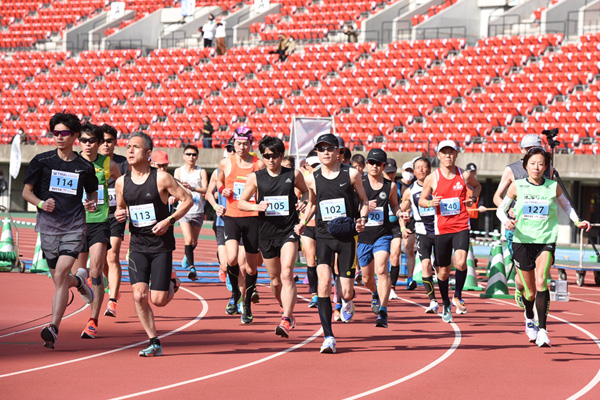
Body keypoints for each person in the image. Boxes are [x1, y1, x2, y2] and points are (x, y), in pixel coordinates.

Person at [496, 147, 590, 347]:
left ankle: (543, 330)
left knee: (541, 282)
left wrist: (577, 221)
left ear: (546, 166)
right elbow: (500, 210)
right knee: (529, 293)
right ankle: (529, 318)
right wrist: (506, 221)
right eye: (532, 163)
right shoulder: (516, 186)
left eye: (541, 164)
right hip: (522, 241)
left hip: (546, 239)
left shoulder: (552, 186)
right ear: (526, 165)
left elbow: (566, 206)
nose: (536, 167)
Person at [22, 112, 97, 349]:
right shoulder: (41, 161)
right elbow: (26, 192)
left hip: (74, 225)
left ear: (75, 136)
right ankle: (80, 281)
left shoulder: (84, 166)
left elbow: (93, 193)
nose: (59, 137)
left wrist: (92, 202)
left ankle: (53, 328)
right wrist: (41, 203)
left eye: (64, 133)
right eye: (55, 133)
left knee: (60, 274)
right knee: (59, 278)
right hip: (48, 227)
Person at [114, 132, 193, 356]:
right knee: (139, 295)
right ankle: (154, 341)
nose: (129, 151)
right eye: (128, 146)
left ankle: (171, 281)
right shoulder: (122, 182)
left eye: (135, 147)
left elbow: (187, 200)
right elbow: (121, 209)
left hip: (160, 246)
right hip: (137, 246)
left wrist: (169, 221)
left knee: (158, 301)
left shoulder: (161, 178)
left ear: (148, 153)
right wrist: (121, 215)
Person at [300, 133, 369, 354]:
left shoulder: (352, 174)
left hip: (347, 236)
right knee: (323, 283)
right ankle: (328, 336)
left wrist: (362, 219)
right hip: (323, 236)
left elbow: (364, 201)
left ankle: (348, 300)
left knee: (346, 291)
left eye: (330, 148)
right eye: (321, 149)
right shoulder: (312, 178)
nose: (326, 153)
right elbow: (311, 203)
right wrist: (302, 222)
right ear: (317, 153)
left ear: (338, 152)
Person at [238, 136, 309, 337]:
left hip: (288, 231)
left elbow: (306, 193)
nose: (271, 160)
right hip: (266, 233)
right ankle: (283, 306)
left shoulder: (293, 174)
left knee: (287, 273)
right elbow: (241, 202)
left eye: (275, 155)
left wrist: (303, 202)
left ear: (282, 155)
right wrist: (255, 206)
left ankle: (286, 318)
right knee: (275, 281)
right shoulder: (256, 177)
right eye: (267, 156)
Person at [419, 140, 481, 323]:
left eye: (451, 152)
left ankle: (458, 295)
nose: (448, 156)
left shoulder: (465, 175)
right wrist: (431, 203)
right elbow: (422, 200)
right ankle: (445, 302)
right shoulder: (432, 178)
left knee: (461, 262)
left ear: (456, 155)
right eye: (444, 152)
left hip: (461, 225)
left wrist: (473, 198)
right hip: (442, 229)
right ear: (438, 156)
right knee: (443, 272)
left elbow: (477, 186)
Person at [493, 134, 555, 307]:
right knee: (522, 280)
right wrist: (508, 211)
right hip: (517, 228)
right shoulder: (512, 169)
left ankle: (539, 315)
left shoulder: (546, 168)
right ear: (521, 150)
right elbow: (497, 197)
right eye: (528, 149)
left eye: (536, 148)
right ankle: (521, 290)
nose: (532, 152)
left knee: (539, 276)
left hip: (540, 228)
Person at [72, 123, 121, 339]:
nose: (88, 144)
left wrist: (121, 207)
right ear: (79, 141)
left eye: (92, 141)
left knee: (96, 271)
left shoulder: (108, 163)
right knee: (77, 274)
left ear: (99, 143)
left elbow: (122, 185)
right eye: (84, 140)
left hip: (100, 222)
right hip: (75, 223)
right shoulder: (71, 163)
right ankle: (82, 285)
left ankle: (93, 320)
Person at [216, 127, 265, 323]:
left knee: (251, 268)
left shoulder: (258, 164)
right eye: (238, 143)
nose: (242, 147)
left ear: (251, 144)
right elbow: (219, 180)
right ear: (234, 144)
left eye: (246, 143)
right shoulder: (226, 163)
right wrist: (223, 189)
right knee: (232, 257)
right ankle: (235, 293)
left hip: (252, 216)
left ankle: (247, 303)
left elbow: (265, 186)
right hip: (232, 215)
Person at [357, 149, 403, 328]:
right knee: (367, 279)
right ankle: (375, 293)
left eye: (378, 164)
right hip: (362, 236)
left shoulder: (390, 186)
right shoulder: (358, 183)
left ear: (383, 166)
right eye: (371, 163)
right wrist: (365, 206)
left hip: (382, 235)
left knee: (382, 269)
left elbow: (394, 206)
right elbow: (351, 205)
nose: (374, 166)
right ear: (367, 164)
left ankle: (383, 311)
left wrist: (401, 214)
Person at [400, 157, 439, 313]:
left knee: (442, 269)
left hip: (440, 229)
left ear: (429, 169)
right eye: (418, 167)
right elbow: (402, 211)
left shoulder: (438, 185)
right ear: (414, 171)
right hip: (422, 231)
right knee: (425, 265)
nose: (421, 170)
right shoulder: (410, 191)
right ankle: (432, 300)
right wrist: (403, 227)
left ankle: (445, 297)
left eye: (424, 167)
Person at [99, 123, 129, 318]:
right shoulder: (90, 162)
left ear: (115, 143)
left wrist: (123, 208)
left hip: (115, 215)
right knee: (101, 259)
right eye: (101, 141)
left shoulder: (123, 163)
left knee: (112, 255)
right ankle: (112, 284)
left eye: (109, 141)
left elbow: (130, 187)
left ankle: (112, 301)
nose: (105, 145)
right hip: (96, 216)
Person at [173, 145, 208, 281]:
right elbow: (175, 187)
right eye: (188, 154)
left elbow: (205, 188)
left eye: (193, 155)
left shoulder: (201, 171)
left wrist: (193, 188)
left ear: (197, 156)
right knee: (188, 240)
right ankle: (193, 268)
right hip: (184, 210)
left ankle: (187, 255)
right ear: (183, 156)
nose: (191, 157)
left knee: (194, 241)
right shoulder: (178, 171)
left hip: (198, 210)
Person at [300, 150, 320, 308]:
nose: (315, 168)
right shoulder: (303, 182)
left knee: (326, 262)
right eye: (312, 166)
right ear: (307, 166)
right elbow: (293, 197)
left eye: (317, 165)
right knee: (311, 259)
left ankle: (335, 293)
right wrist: (297, 204)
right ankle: (314, 294)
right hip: (308, 225)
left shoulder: (325, 180)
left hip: (323, 226)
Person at [384, 158, 402, 299]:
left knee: (395, 256)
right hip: (381, 226)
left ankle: (392, 288)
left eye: (392, 172)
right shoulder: (378, 185)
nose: (390, 175)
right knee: (382, 259)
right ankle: (381, 285)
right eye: (388, 172)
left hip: (395, 225)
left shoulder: (398, 187)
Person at [399, 161, 417, 291]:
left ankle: (410, 278)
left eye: (411, 170)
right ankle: (391, 282)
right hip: (396, 219)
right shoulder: (397, 185)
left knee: (409, 249)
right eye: (407, 170)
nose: (409, 173)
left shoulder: (417, 185)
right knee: (393, 253)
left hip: (412, 220)